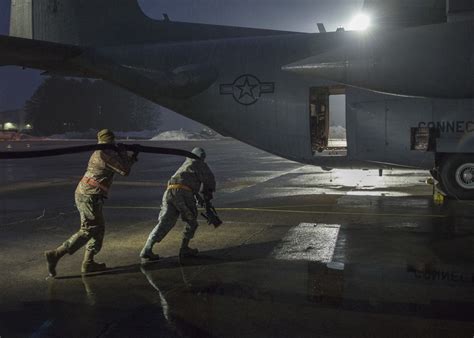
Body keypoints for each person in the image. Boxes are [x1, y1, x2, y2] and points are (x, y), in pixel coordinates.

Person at [44, 129, 137, 277]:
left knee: (98, 229)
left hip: (90, 194)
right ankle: (56, 254)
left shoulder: (104, 152)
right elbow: (124, 170)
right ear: (110, 140)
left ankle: (88, 263)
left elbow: (121, 165)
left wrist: (132, 157)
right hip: (89, 195)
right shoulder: (104, 153)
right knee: (89, 229)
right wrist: (124, 153)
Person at [140, 147, 216, 262]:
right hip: (183, 194)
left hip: (169, 192)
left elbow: (184, 182)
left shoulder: (186, 164)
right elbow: (209, 185)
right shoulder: (201, 164)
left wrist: (196, 196)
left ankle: (147, 248)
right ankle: (184, 249)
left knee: (165, 222)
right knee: (192, 222)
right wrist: (207, 203)